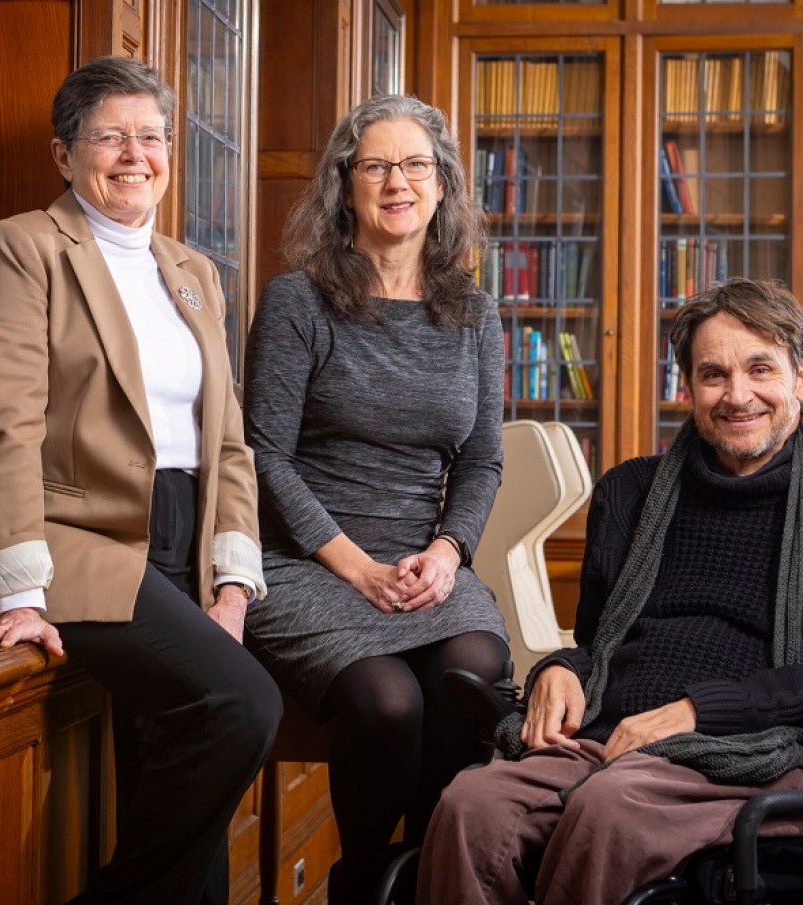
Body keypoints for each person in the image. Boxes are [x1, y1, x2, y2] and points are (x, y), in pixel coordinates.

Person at [417, 278, 803, 905]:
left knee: (608, 811)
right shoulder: (629, 493)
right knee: (471, 804)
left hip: (747, 754)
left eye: (760, 368)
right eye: (713, 375)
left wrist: (695, 712)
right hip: (607, 734)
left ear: (802, 377)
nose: (738, 396)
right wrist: (561, 669)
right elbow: (599, 641)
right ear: (688, 387)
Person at [0, 56, 281, 905]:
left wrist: (234, 584)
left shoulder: (195, 271)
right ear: (66, 155)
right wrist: (20, 590)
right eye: (110, 136)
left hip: (185, 533)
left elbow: (231, 443)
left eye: (150, 135)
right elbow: (8, 422)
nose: (135, 153)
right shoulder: (27, 246)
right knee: (241, 705)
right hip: (79, 541)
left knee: (177, 769)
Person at [242, 93, 510, 904]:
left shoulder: (472, 311)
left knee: (476, 674)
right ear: (345, 184)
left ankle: (427, 874)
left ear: (443, 186)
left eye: (416, 164)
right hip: (307, 562)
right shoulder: (300, 302)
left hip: (421, 563)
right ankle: (363, 881)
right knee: (388, 702)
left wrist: (448, 550)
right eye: (377, 165)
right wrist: (356, 566)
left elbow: (483, 460)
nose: (399, 181)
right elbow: (264, 457)